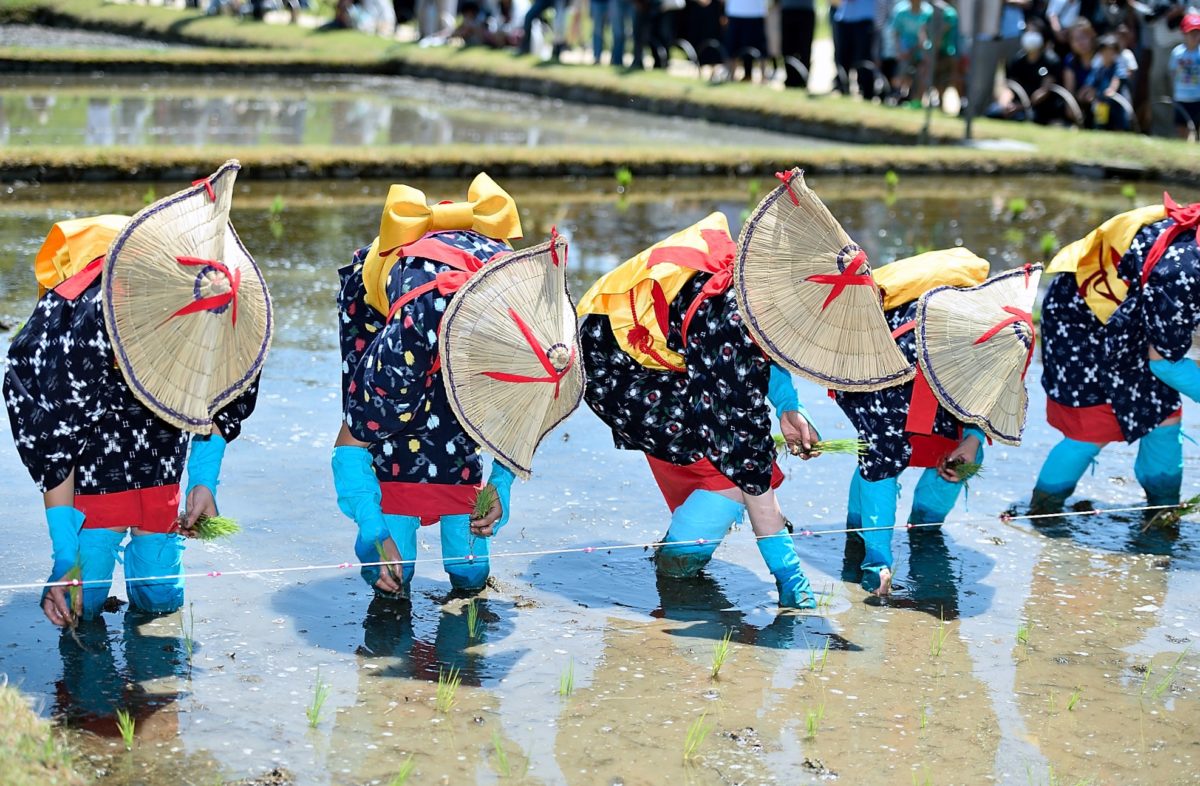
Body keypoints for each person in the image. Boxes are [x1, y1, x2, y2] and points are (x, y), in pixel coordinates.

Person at [4, 162, 271, 628]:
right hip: (92, 497)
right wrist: (64, 554)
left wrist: (203, 480)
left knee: (162, 602)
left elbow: (217, 392)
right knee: (83, 606)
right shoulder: (75, 328)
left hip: (161, 485)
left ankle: (154, 682)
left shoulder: (202, 308)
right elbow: (55, 441)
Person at [332, 174, 577, 601]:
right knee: (391, 568)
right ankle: (390, 546)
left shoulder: (524, 337)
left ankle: (462, 562)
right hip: (407, 316)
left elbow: (521, 416)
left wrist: (499, 486)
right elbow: (352, 438)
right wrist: (371, 525)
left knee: (470, 569)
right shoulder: (402, 351)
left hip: (481, 307)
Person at [576, 213, 821, 608]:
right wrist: (789, 575)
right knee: (729, 479)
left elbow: (765, 350)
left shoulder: (758, 292)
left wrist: (789, 406)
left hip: (673, 357)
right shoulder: (731, 331)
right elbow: (753, 475)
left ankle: (681, 552)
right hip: (618, 371)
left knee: (734, 463)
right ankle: (675, 568)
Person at [834, 253, 1040, 596]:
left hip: (946, 376)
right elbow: (880, 465)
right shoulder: (896, 357)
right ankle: (861, 539)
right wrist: (878, 561)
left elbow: (989, 402)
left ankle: (925, 527)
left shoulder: (998, 344)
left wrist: (971, 440)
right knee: (878, 456)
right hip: (886, 377)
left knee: (963, 459)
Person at [1032, 194, 1200, 515]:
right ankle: (1043, 512)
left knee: (1164, 415)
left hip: (1136, 314)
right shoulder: (1183, 274)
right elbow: (1166, 364)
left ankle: (1163, 511)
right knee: (1092, 425)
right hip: (1082, 317)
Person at [989, 28, 1062, 122]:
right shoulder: (1018, 60)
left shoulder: (1051, 60)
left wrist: (1021, 106)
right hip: (1017, 103)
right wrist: (1006, 104)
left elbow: (1044, 91)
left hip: (1039, 107)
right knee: (993, 112)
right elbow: (1011, 86)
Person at [1169, 12, 1200, 138]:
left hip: (1198, 98)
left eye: (1197, 33)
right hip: (1181, 97)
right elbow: (1172, 73)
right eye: (1191, 33)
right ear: (1184, 34)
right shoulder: (1177, 53)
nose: (1195, 36)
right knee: (1182, 129)